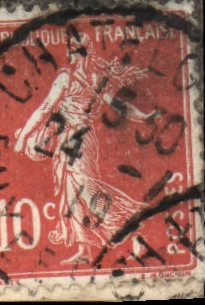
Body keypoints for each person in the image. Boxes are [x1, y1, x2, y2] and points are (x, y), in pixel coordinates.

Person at [13, 29, 153, 266]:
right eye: (72, 50)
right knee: (71, 193)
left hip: (82, 141)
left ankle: (131, 224)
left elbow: (119, 105)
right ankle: (84, 249)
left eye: (78, 50)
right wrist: (24, 136)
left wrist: (144, 116)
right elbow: (45, 108)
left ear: (87, 52)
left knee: (86, 190)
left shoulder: (95, 80)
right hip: (66, 141)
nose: (74, 54)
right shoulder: (66, 78)